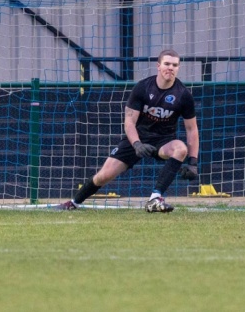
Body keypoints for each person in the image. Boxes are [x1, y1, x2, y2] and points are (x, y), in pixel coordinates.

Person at [57, 49, 200, 213]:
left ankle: (155, 198)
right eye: (167, 64)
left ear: (178, 68)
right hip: (136, 139)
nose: (170, 68)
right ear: (158, 66)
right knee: (103, 176)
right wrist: (137, 144)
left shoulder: (183, 94)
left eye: (174, 65)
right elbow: (129, 122)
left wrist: (193, 163)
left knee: (180, 148)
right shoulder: (143, 87)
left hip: (163, 141)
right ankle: (74, 203)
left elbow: (192, 129)